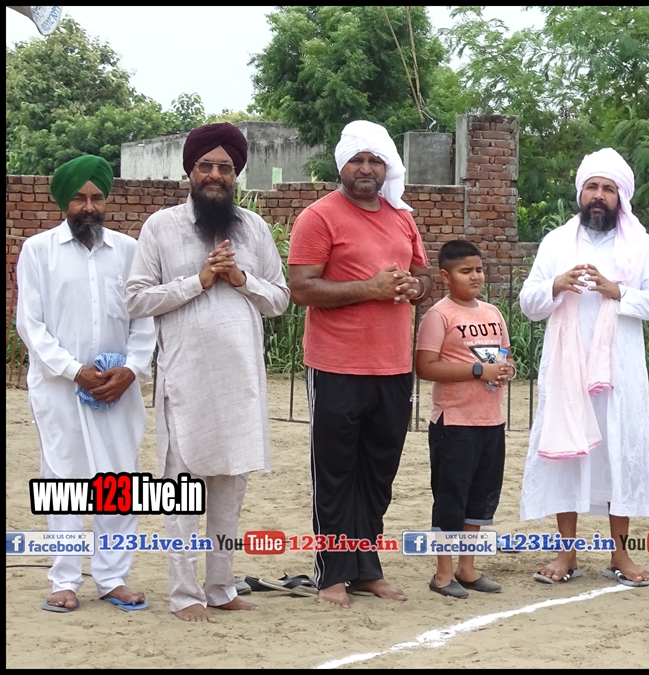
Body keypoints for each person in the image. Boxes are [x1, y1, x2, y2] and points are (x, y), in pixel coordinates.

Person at [126, 123, 291, 622]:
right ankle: (185, 594)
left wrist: (240, 278)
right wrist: (197, 281)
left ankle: (220, 587)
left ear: (236, 173)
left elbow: (280, 300)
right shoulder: (161, 226)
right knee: (181, 492)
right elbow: (136, 299)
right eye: (206, 166)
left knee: (229, 489)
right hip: (186, 382)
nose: (215, 175)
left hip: (240, 383)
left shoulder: (254, 229)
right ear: (190, 171)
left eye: (225, 167)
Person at [288, 120, 434, 608]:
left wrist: (415, 287)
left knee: (378, 471)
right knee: (335, 472)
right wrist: (369, 288)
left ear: (387, 168)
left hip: (393, 366)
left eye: (375, 161)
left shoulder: (401, 217)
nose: (366, 169)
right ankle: (331, 572)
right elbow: (302, 288)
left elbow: (424, 275)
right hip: (336, 365)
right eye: (357, 160)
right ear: (342, 166)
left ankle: (367, 566)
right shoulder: (319, 217)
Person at [519, 148, 649, 586]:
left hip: (618, 373)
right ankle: (566, 554)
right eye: (592, 187)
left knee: (617, 453)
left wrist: (616, 291)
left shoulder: (638, 244)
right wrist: (556, 284)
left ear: (621, 197)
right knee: (566, 452)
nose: (599, 196)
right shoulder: (555, 243)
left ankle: (620, 554)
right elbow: (529, 304)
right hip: (565, 372)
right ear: (580, 193)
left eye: (608, 189)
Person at [16, 155, 155, 613]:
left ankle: (113, 578)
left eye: (97, 197)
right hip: (60, 387)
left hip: (118, 388)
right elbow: (31, 325)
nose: (89, 207)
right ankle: (65, 580)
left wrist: (131, 369)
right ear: (64, 202)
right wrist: (74, 369)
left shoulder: (129, 251)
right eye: (79, 198)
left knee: (119, 479)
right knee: (65, 478)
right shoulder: (39, 251)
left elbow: (144, 319)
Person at [415, 239, 516, 598]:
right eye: (465, 271)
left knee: (481, 496)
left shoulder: (492, 312)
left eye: (479, 269)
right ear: (445, 276)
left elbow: (504, 355)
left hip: (491, 420)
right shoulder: (439, 315)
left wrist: (506, 369)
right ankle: (443, 573)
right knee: (450, 497)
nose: (475, 276)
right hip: (454, 423)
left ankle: (467, 567)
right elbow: (425, 366)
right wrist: (477, 370)